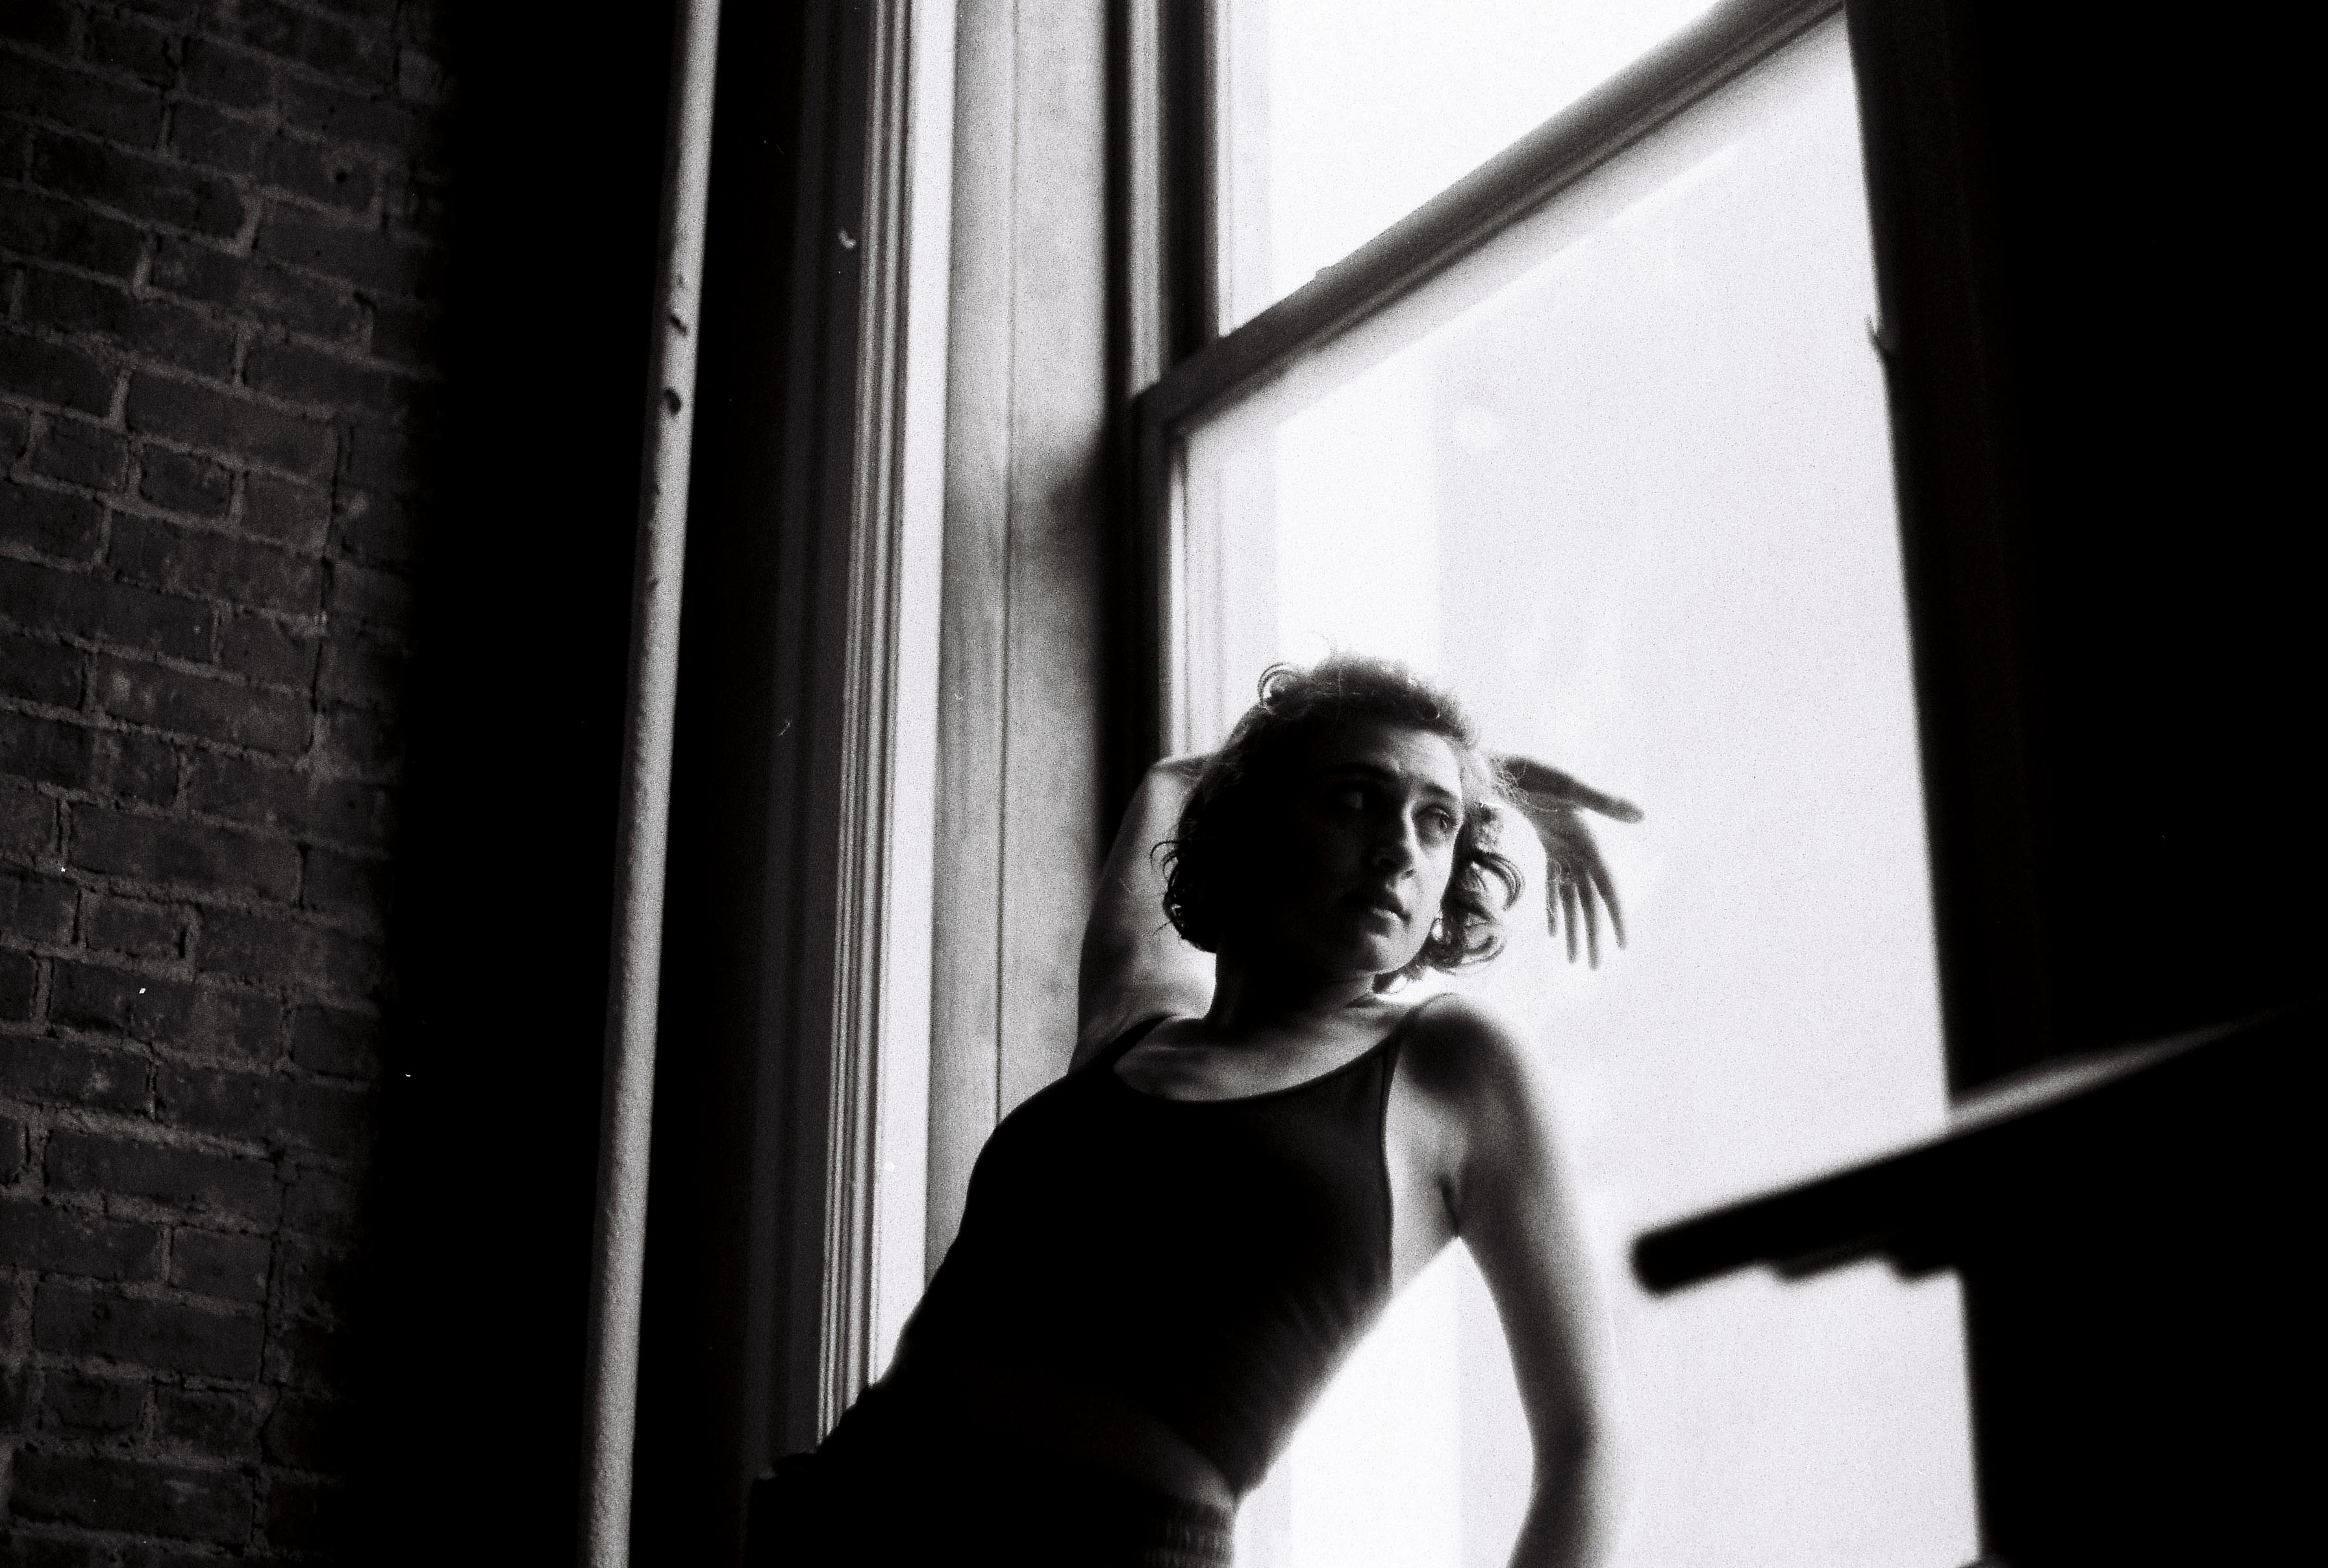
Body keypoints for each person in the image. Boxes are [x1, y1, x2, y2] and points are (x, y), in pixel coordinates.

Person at [748, 656, 1638, 1567]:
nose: (1400, 848)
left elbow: (1589, 1447)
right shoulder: (1133, 1023)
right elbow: (1176, 785)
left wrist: (1477, 792)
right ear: (1253, 820)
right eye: (1356, 800)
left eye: (1436, 823)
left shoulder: (1453, 1066)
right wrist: (1475, 779)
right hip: (848, 1522)